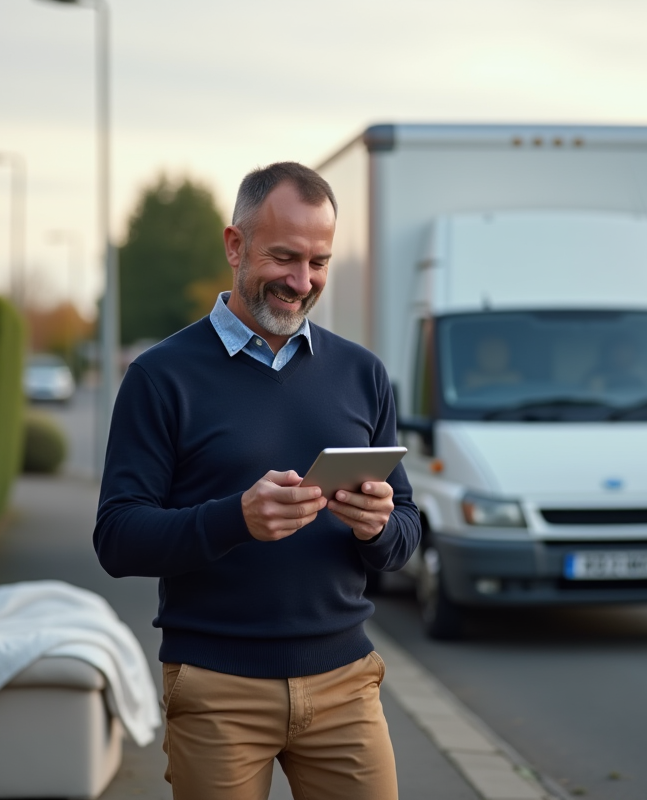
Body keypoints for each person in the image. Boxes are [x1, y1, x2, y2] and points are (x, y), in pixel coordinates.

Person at [94, 161, 421, 800]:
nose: (302, 281)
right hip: (217, 687)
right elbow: (117, 538)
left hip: (346, 683)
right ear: (235, 245)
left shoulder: (363, 375)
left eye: (319, 262)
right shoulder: (160, 377)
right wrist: (235, 519)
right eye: (285, 257)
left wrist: (379, 527)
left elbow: (405, 531)